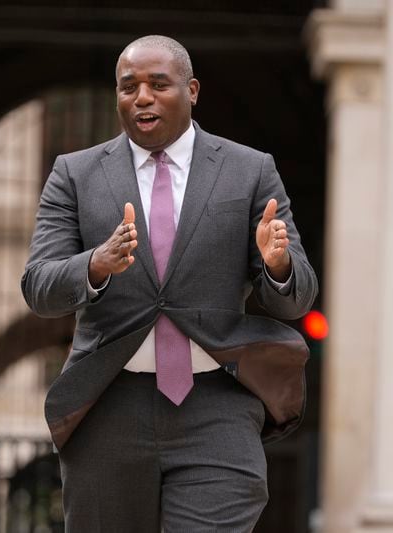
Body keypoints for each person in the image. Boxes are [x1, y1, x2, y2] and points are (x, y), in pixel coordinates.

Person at [21, 35, 318, 531]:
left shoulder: (249, 171)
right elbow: (38, 287)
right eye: (128, 87)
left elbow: (298, 298)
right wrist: (96, 264)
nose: (141, 97)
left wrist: (277, 265)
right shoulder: (74, 175)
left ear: (192, 90)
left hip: (217, 406)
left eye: (158, 85)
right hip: (109, 406)